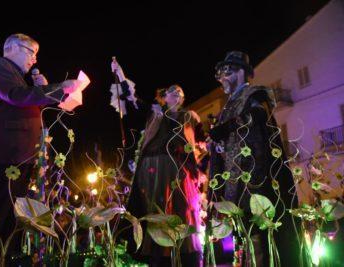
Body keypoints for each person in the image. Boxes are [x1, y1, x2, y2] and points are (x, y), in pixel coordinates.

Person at [0, 33, 79, 266]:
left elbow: (26, 98)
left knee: (7, 223)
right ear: (14, 47)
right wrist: (58, 89)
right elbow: (16, 97)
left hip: (19, 157)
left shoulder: (19, 77)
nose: (34, 60)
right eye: (31, 52)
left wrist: (45, 91)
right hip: (3, 156)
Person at [208, 51, 297, 266]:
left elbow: (257, 116)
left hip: (256, 179)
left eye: (227, 72)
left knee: (260, 236)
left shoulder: (255, 94)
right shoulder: (229, 104)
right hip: (235, 182)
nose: (222, 78)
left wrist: (226, 127)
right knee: (245, 237)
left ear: (240, 71)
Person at [112, 61, 203, 267]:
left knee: (178, 208)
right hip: (151, 168)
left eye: (180, 92)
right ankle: (155, 252)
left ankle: (180, 252)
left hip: (175, 169)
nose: (177, 93)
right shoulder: (154, 112)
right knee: (154, 208)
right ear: (165, 96)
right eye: (172, 91)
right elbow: (133, 99)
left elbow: (192, 142)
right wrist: (121, 74)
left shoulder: (187, 116)